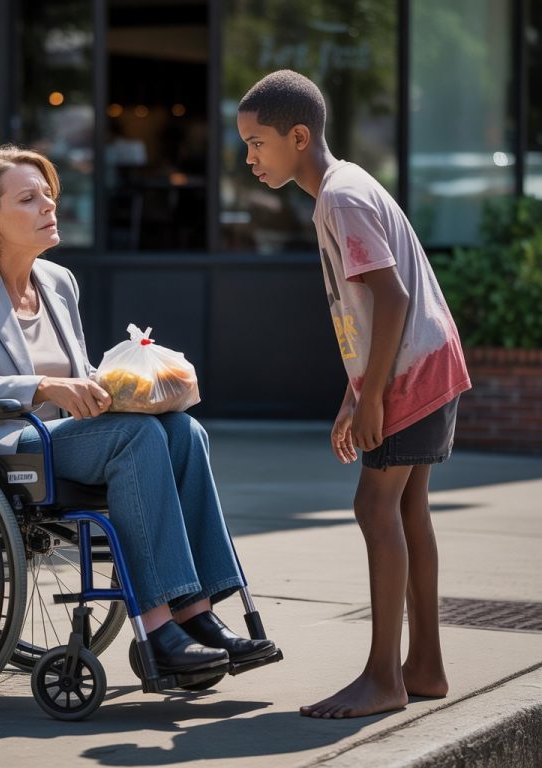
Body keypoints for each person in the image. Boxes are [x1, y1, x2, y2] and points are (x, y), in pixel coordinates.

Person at [0, 144, 275, 678]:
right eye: (28, 199)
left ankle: (197, 615)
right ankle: (157, 629)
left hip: (66, 435)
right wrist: (45, 387)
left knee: (182, 429)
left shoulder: (58, 281)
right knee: (137, 438)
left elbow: (82, 373)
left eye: (48, 195)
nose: (48, 206)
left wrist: (139, 383)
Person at [237, 71, 471, 718]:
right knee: (408, 509)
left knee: (375, 504)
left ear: (298, 136)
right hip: (423, 362)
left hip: (411, 370)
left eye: (256, 143)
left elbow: (392, 299)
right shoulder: (343, 190)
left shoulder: (340, 197)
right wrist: (355, 391)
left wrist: (372, 401)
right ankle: (423, 667)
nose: (249, 158)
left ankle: (383, 678)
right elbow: (369, 310)